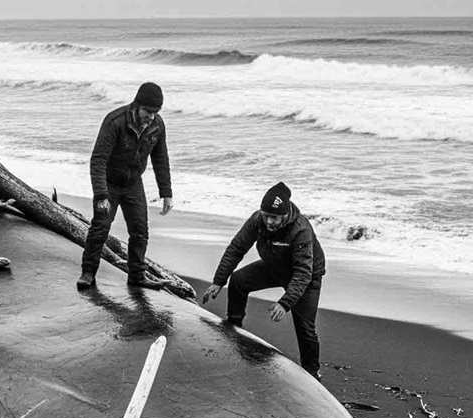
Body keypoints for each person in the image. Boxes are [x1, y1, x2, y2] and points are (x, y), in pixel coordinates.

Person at [201, 182, 327, 377]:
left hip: (306, 276)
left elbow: (303, 272)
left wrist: (285, 303)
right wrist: (219, 281)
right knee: (238, 280)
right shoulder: (257, 219)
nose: (269, 221)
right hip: (274, 265)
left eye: (274, 218)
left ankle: (312, 373)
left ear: (285, 215)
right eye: (266, 215)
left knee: (305, 327)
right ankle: (234, 328)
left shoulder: (300, 230)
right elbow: (237, 248)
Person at [78, 81, 173, 291]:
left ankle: (137, 276)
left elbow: (161, 159)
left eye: (156, 112)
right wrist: (101, 195)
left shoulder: (158, 125)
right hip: (109, 185)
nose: (151, 117)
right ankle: (88, 273)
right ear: (137, 105)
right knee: (100, 229)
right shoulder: (115, 121)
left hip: (133, 184)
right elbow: (98, 160)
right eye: (148, 111)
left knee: (140, 232)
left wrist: (166, 193)